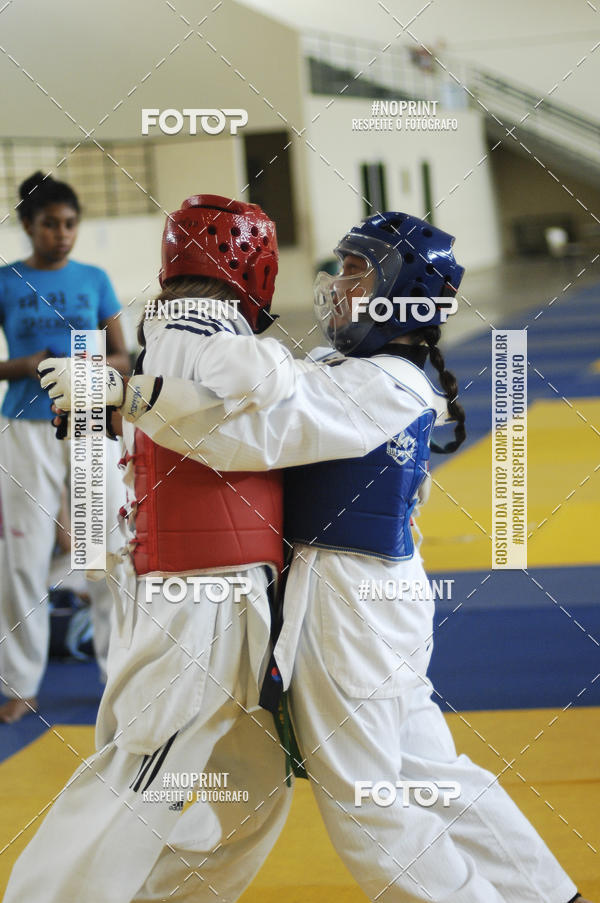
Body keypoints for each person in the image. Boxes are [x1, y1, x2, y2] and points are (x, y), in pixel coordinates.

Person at [32, 210, 588, 902]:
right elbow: (249, 396)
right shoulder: (349, 368)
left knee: (372, 813)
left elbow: (256, 433)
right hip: (361, 602)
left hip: (349, 609)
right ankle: (547, 892)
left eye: (358, 271)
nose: (337, 284)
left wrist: (132, 394)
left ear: (403, 292)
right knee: (426, 773)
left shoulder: (385, 385)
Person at [4, 194, 299, 903]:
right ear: (252, 265)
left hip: (225, 592)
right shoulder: (207, 332)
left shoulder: (170, 327)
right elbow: (259, 387)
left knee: (254, 794)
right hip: (199, 598)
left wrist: (123, 390)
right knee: (142, 781)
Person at [0, 171, 129, 723]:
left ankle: (117, 677)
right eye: (50, 224)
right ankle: (20, 684)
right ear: (28, 226)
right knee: (22, 560)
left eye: (70, 224)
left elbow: (126, 356)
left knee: (102, 553)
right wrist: (25, 367)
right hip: (26, 430)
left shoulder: (94, 279)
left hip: (89, 425)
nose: (62, 234)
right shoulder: (6, 282)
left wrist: (92, 365)